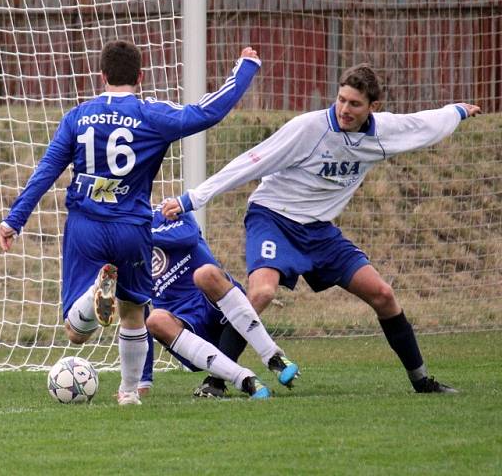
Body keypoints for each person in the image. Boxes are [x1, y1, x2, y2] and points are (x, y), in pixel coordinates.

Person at [162, 63, 482, 394]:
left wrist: (457, 111)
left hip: (319, 232)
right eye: (341, 99)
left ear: (374, 107)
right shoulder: (309, 129)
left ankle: (422, 382)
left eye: (355, 104)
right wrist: (192, 199)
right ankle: (215, 381)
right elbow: (251, 161)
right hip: (273, 216)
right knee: (260, 293)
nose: (344, 109)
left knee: (383, 295)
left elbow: (423, 125)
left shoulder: (384, 131)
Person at [0, 41, 262, 405]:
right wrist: (246, 68)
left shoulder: (78, 116)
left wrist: (15, 218)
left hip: (85, 226)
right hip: (133, 228)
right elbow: (205, 113)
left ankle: (92, 301)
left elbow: (47, 170)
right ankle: (128, 393)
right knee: (133, 312)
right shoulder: (151, 114)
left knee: (75, 333)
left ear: (101, 75)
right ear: (140, 76)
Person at [144, 205, 299, 399]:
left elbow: (188, 236)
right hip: (184, 321)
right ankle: (244, 379)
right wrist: (142, 380)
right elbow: (134, 308)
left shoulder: (168, 209)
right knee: (154, 320)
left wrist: (141, 236)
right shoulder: (122, 249)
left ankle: (273, 357)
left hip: (215, 302)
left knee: (205, 273)